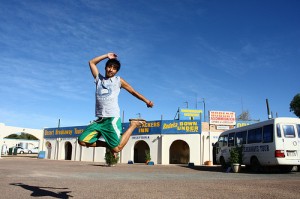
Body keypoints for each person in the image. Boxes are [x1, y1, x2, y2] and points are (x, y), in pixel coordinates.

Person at [78, 52, 154, 156]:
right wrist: (106, 56)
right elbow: (91, 62)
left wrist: (146, 101)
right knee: (82, 141)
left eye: (114, 68)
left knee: (117, 149)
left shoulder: (118, 80)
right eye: (109, 67)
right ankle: (108, 145)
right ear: (105, 68)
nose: (111, 70)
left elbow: (133, 92)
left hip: (112, 118)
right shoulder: (99, 79)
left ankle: (133, 125)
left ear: (116, 71)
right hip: (100, 119)